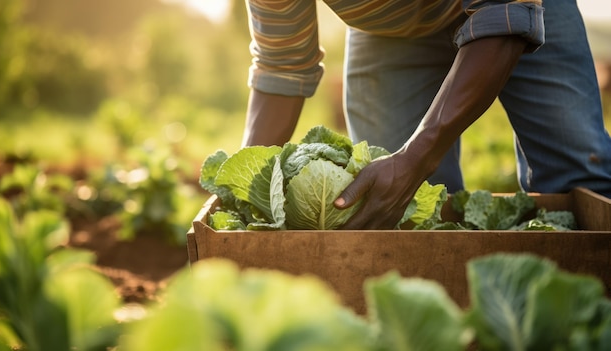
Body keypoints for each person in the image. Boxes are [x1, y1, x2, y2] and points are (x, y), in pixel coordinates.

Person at [241, 0, 611, 229]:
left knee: (579, 174)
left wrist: (418, 156)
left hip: (519, 5)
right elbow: (282, 66)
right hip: (388, 28)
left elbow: (503, 14)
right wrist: (244, 188)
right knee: (403, 213)